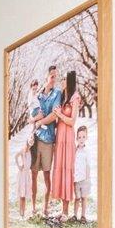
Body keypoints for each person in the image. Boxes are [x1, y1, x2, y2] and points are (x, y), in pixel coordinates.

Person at [30, 65, 64, 218]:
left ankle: (45, 208)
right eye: (51, 76)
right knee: (33, 174)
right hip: (36, 139)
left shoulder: (57, 93)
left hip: (48, 139)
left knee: (46, 175)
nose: (54, 79)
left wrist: (39, 121)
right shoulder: (37, 96)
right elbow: (33, 115)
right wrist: (36, 121)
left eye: (55, 76)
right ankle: (33, 207)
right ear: (46, 77)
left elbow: (54, 115)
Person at [50, 76, 81, 219]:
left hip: (68, 138)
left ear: (68, 81)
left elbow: (72, 121)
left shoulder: (75, 98)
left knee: (67, 170)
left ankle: (66, 212)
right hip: (60, 137)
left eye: (63, 79)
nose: (61, 82)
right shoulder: (63, 98)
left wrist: (60, 115)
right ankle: (62, 210)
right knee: (60, 169)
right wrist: (56, 115)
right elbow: (59, 119)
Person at [15, 124, 34, 220]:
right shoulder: (23, 150)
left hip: (27, 174)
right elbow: (16, 156)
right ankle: (20, 212)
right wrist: (19, 166)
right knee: (21, 195)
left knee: (25, 195)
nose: (31, 142)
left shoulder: (30, 151)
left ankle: (23, 213)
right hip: (22, 174)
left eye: (32, 141)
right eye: (30, 140)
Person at [73, 125, 90, 222]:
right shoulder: (75, 151)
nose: (81, 139)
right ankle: (75, 215)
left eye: (83, 137)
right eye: (79, 137)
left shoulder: (86, 151)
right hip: (76, 179)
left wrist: (87, 179)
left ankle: (83, 216)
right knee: (77, 197)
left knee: (84, 197)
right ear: (76, 138)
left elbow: (88, 165)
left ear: (86, 138)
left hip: (84, 179)